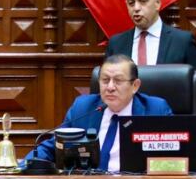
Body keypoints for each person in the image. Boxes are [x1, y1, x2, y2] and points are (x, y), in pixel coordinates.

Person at [26, 55, 172, 172]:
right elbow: (54, 146)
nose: (110, 87)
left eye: (118, 81)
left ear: (135, 86)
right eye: (105, 80)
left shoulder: (155, 110)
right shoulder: (83, 108)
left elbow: (174, 154)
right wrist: (22, 167)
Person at [105, 0, 196, 72]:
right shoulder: (116, 44)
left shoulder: (183, 41)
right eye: (131, 3)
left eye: (142, 1)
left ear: (157, 3)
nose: (136, 8)